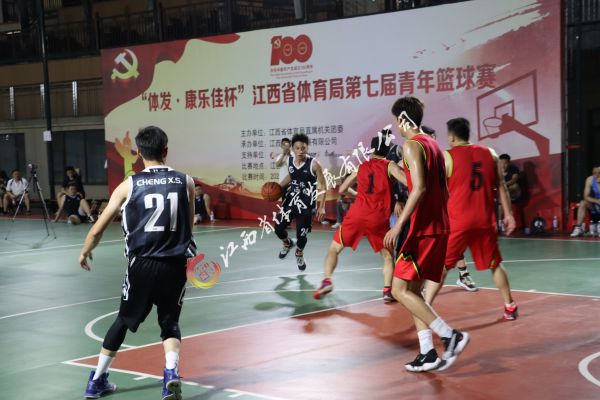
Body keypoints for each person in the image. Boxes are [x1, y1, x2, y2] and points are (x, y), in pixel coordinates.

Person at [78, 126, 196, 400]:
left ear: (139, 153)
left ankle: (97, 381)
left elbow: (97, 229)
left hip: (141, 265)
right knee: (170, 321)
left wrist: (85, 251)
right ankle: (170, 373)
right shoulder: (186, 181)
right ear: (165, 151)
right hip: (175, 264)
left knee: (123, 320)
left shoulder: (128, 185)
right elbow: (189, 226)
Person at [383, 96, 469, 373]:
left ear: (402, 119)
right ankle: (427, 353)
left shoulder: (411, 145)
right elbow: (433, 187)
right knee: (413, 291)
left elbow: (418, 188)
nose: (395, 125)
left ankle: (450, 335)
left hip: (422, 229)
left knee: (398, 290)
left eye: (396, 120)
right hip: (438, 225)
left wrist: (398, 225)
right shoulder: (433, 145)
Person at [422, 118, 518, 320]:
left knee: (441, 267)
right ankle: (510, 306)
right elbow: (501, 186)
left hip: (458, 222)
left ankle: (424, 309)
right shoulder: (490, 153)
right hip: (485, 220)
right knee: (495, 264)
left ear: (451, 137)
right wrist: (509, 214)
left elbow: (433, 190)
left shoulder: (447, 157)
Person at [314, 136, 407, 302]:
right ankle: (387, 290)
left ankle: (327, 280)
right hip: (377, 217)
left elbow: (342, 189)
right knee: (387, 257)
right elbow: (407, 181)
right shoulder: (390, 165)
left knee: (334, 249)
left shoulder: (361, 166)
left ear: (372, 150)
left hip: (357, 213)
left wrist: (358, 195)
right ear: (387, 150)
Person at [275, 133, 327, 271]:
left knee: (302, 236)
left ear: (307, 148)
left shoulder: (314, 164)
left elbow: (323, 185)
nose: (300, 151)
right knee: (278, 228)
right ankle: (287, 243)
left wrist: (322, 206)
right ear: (293, 148)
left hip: (306, 205)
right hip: (290, 201)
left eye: (303, 148)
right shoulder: (289, 160)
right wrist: (278, 187)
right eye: (297, 148)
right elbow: (291, 176)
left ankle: (299, 252)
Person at [570, 165, 600, 237]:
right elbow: (586, 196)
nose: (596, 175)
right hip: (596, 204)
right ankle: (579, 228)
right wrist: (597, 201)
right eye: (594, 173)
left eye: (599, 173)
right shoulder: (590, 179)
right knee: (583, 203)